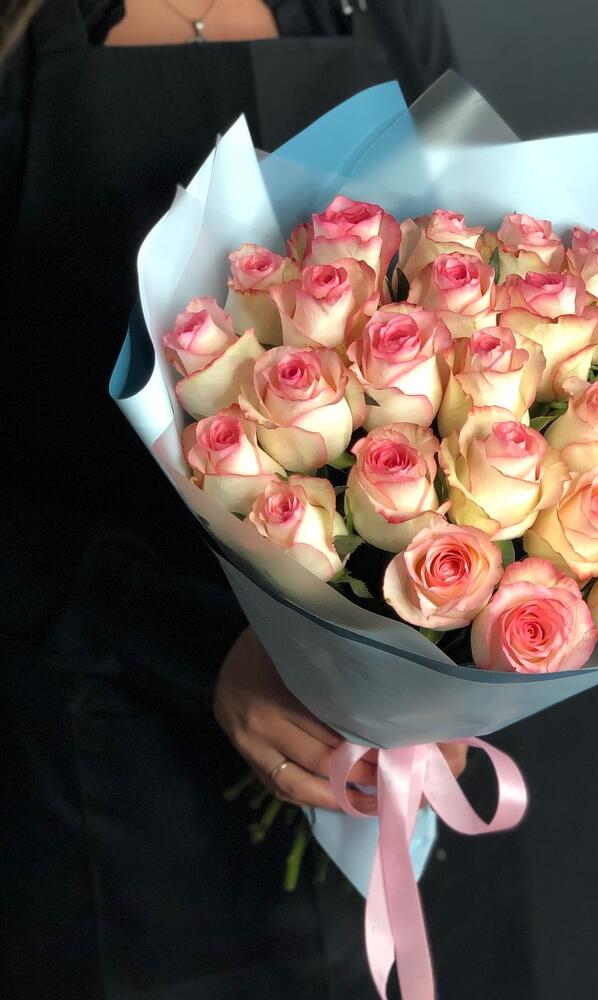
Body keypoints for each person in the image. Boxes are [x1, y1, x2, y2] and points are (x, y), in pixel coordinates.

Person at [0, 1, 467, 997]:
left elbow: (468, 297)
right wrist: (197, 641)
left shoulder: (376, 9)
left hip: (393, 784)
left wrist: (468, 632)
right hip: (104, 782)